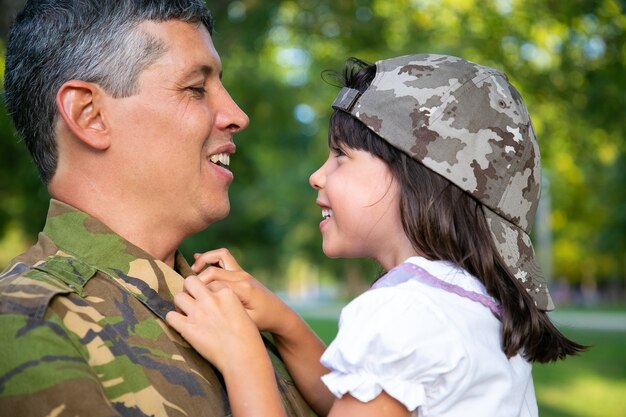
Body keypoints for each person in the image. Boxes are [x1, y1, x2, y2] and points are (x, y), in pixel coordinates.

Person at [165, 54, 587, 417]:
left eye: (340, 157)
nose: (317, 176)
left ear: (417, 178)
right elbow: (351, 403)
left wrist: (243, 357)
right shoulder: (462, 305)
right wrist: (284, 323)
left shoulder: (406, 314)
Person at [0, 1, 313, 416]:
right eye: (195, 88)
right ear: (89, 115)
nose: (238, 115)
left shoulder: (240, 309)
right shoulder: (23, 324)